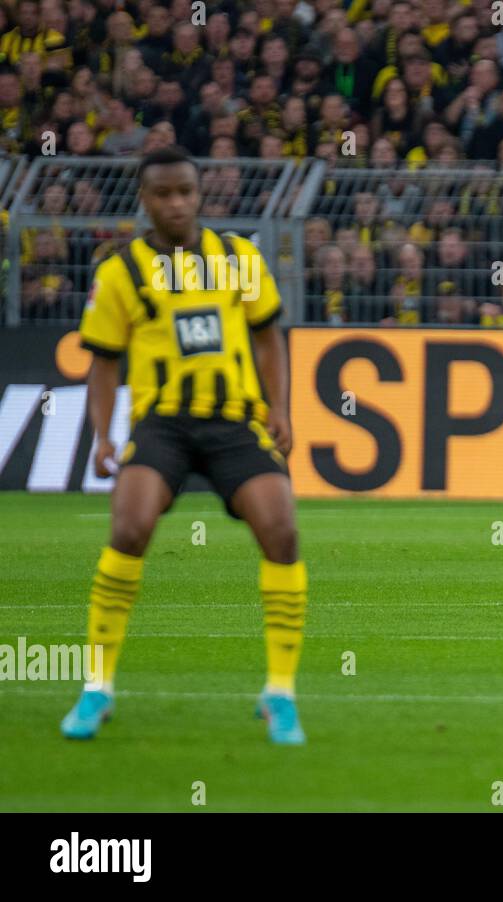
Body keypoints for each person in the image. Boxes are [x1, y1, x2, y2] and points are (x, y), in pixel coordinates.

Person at [62, 147, 309, 745]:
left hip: (234, 423)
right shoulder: (120, 272)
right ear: (144, 201)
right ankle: (97, 686)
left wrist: (279, 408)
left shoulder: (240, 257)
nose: (177, 203)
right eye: (164, 194)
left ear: (199, 195)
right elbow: (104, 361)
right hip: (162, 425)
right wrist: (102, 434)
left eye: (186, 192)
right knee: (129, 528)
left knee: (281, 530)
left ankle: (280, 693)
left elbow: (268, 336)